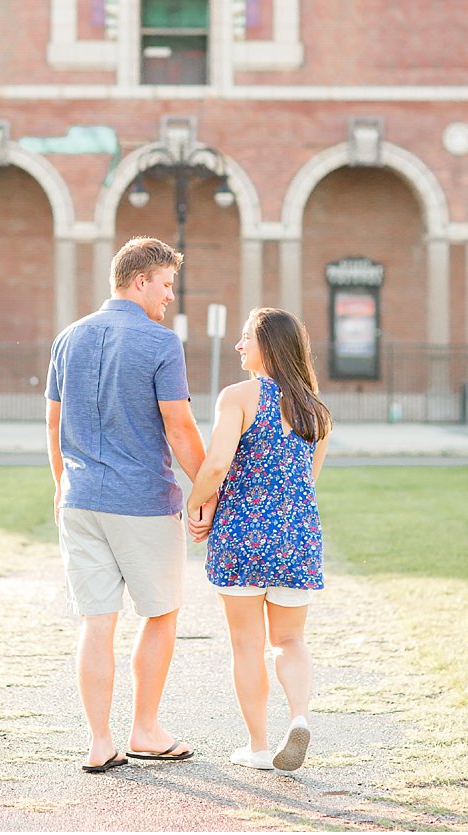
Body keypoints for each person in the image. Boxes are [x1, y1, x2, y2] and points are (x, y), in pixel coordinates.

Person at [45, 236, 209, 773]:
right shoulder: (161, 343)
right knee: (160, 614)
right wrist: (208, 490)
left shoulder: (68, 338)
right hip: (140, 502)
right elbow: (180, 427)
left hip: (80, 500)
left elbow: (54, 422)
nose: (169, 297)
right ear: (140, 280)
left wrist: (60, 486)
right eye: (165, 285)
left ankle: (99, 743)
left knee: (97, 621)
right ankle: (145, 730)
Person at [185, 307, 332, 772]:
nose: (238, 345)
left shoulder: (239, 396)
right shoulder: (317, 410)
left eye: (246, 336)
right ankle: (300, 716)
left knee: (247, 645)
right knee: (289, 640)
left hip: (242, 536)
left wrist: (196, 503)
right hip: (297, 537)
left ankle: (257, 747)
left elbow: (215, 466)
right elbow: (308, 481)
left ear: (266, 345)